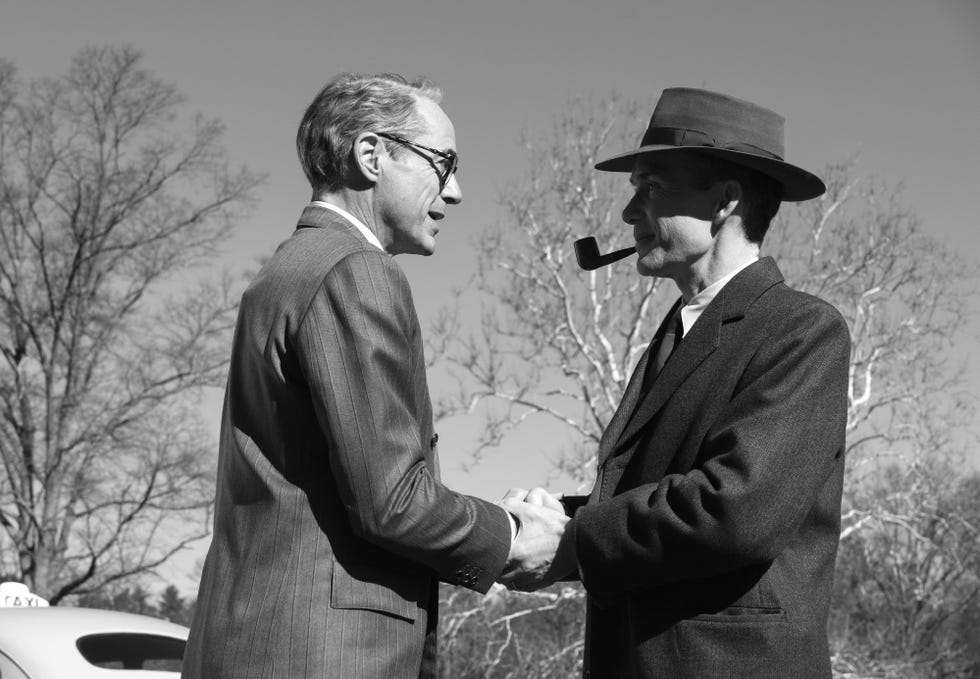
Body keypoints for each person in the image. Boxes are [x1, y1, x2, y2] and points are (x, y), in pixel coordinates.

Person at [182, 73, 567, 679]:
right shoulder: (356, 271)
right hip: (325, 654)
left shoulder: (283, 273)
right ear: (371, 155)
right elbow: (392, 501)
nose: (458, 190)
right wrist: (517, 537)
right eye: (443, 163)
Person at [500, 87, 851, 678]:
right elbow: (659, 497)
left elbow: (734, 510)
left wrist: (572, 542)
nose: (629, 212)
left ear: (724, 203)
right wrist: (548, 519)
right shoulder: (676, 333)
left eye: (652, 187)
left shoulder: (801, 329)